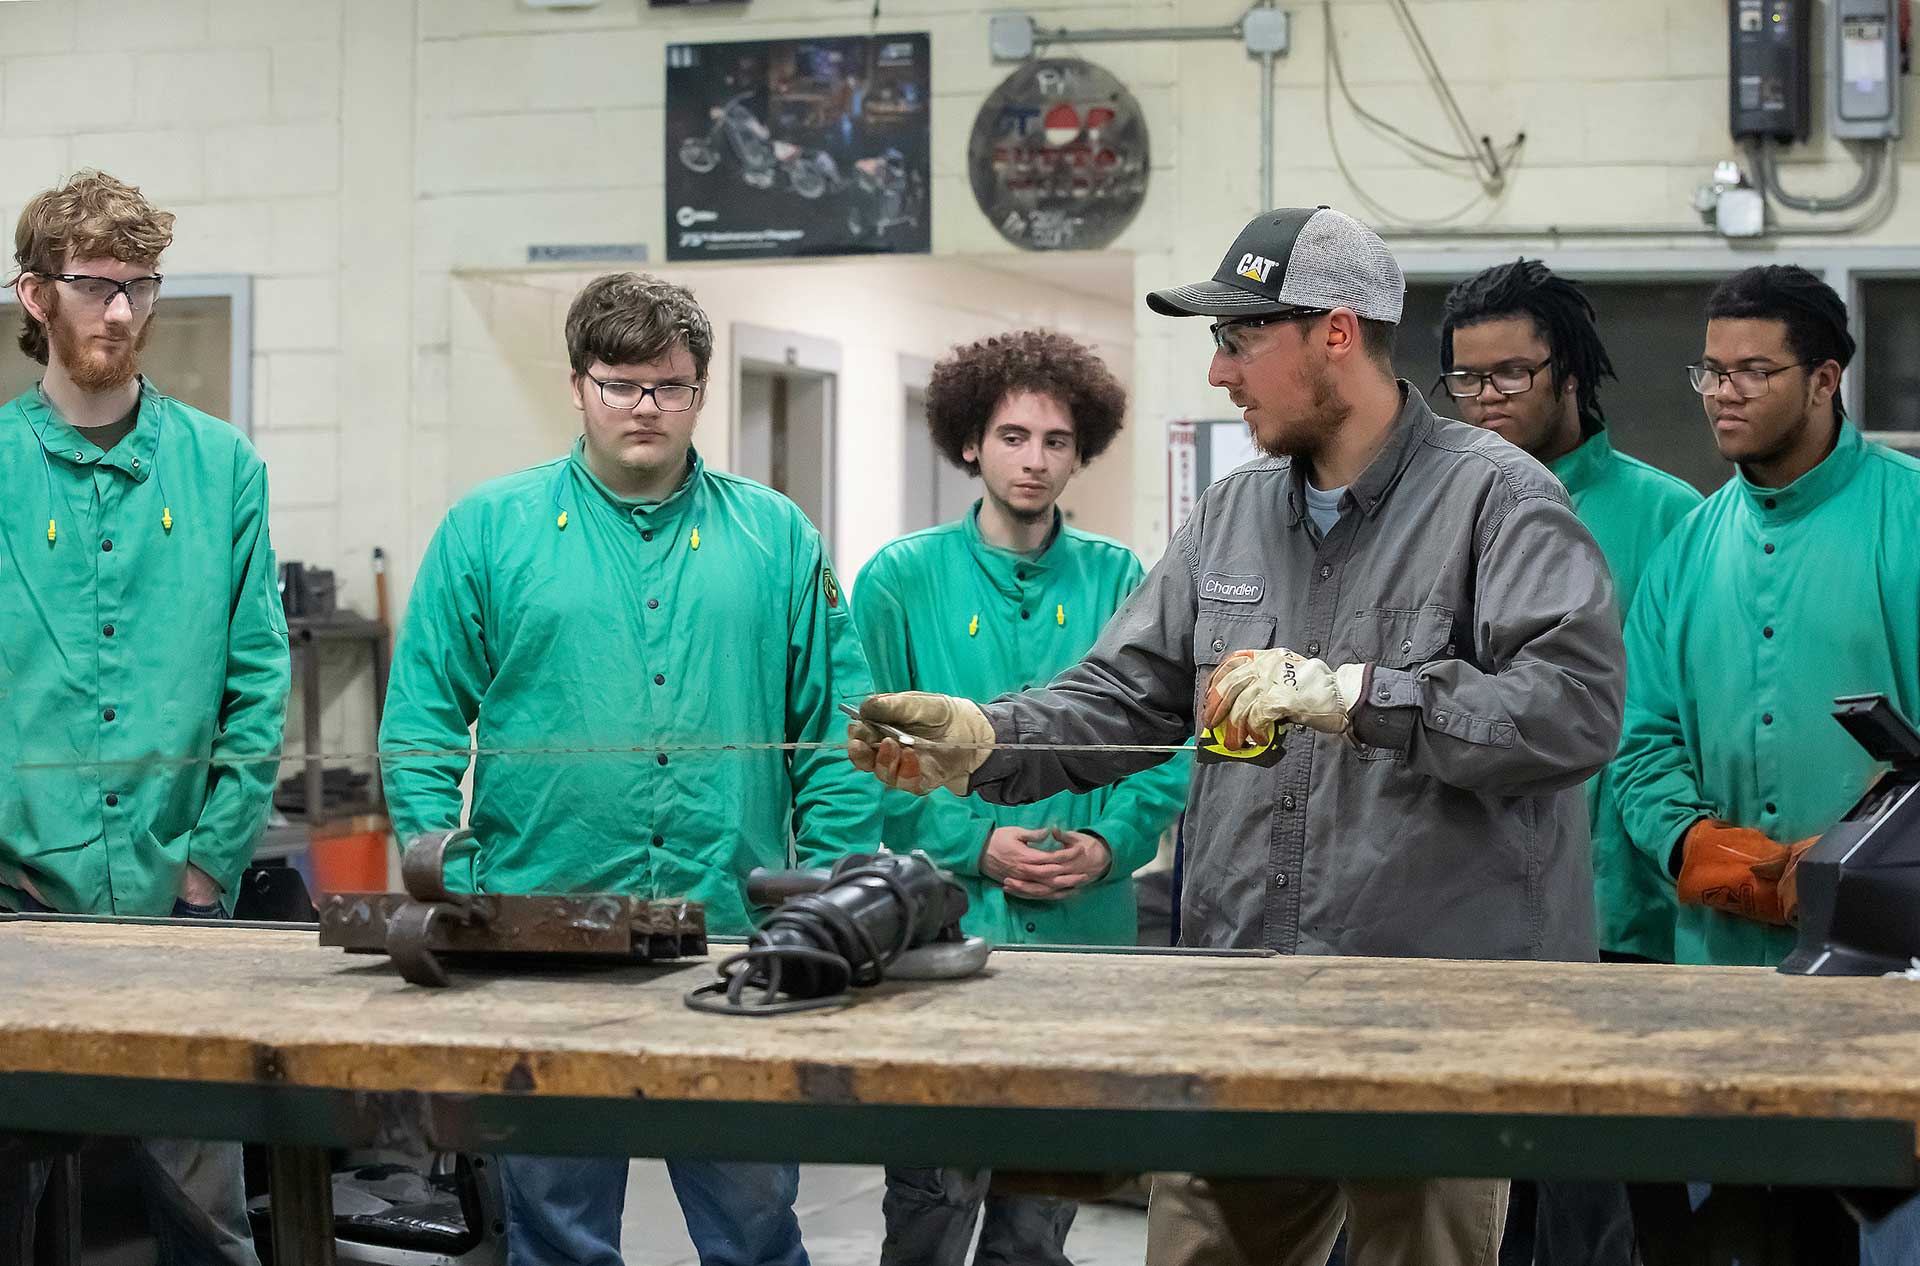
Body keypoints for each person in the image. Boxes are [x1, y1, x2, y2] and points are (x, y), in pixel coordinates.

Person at [848, 206, 1626, 1266]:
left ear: (1335, 334)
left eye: (1239, 340)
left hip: (1431, 1018)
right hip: (1242, 1001)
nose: (1220, 374)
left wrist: (1359, 693)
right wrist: (988, 736)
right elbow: (1129, 694)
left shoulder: (1499, 502)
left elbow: (1571, 712)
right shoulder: (1233, 514)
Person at [379, 272, 876, 1266]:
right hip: (542, 942)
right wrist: (457, 887)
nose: (646, 407)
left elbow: (837, 730)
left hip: (733, 942)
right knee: (557, 1236)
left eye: (671, 385)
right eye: (621, 384)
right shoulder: (490, 531)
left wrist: (824, 898)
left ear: (701, 390)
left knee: (753, 1232)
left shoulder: (776, 538)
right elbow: (423, 721)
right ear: (577, 386)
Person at [0, 170, 289, 1264]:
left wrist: (210, 864)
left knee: (206, 1215)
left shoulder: (222, 469)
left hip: (181, 905)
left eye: (138, 286)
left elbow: (259, 684)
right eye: (91, 286)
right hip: (18, 907)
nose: (117, 312)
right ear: (36, 296)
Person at [853, 329, 1190, 1266]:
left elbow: (1169, 741)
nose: (1033, 460)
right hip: (945, 920)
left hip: (1089, 932)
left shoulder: (1124, 578)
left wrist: (1113, 845)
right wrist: (972, 844)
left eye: (1054, 440)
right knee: (928, 1197)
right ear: (970, 443)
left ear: (1082, 451)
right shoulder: (900, 579)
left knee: (1041, 1210)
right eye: (1012, 437)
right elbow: (870, 753)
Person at [1611, 265, 1920, 1264]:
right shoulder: (1689, 550)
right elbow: (1640, 745)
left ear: (1825, 379)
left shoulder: (1910, 518)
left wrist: (1860, 878)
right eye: (1710, 373)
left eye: (1753, 370)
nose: (1723, 394)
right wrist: (1725, 860)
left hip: (1895, 990)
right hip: (1729, 981)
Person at [1439, 259, 1703, 1266]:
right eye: (1467, 381)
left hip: (1617, 928)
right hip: (1468, 925)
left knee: (1610, 1228)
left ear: (1570, 375)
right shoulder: (1436, 516)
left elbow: (1671, 721)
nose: (1487, 401)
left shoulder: (1671, 518)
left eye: (1510, 376)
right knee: (1477, 1216)